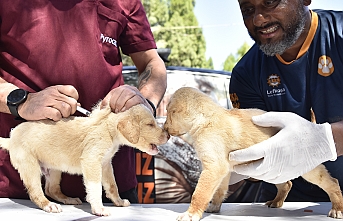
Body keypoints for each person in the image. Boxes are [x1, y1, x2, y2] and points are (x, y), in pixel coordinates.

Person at [0, 0, 167, 203]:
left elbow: (152, 62)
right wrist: (21, 100)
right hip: (19, 192)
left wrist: (145, 103)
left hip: (113, 192)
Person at [228, 0, 343, 202]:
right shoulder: (245, 74)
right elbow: (257, 157)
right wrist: (236, 163)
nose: (258, 19)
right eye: (248, 10)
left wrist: (325, 140)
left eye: (270, 2)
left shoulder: (339, 34)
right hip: (287, 203)